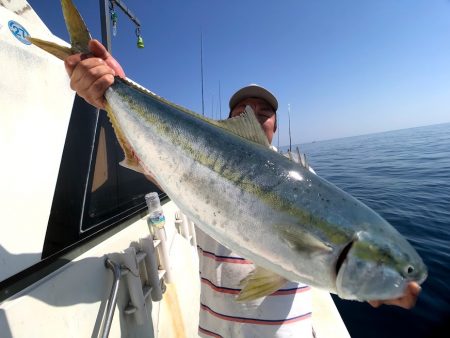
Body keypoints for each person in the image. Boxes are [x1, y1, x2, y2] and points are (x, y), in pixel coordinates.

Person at [64, 39, 422, 337]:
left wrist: (377, 287)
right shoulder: (191, 161)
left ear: (274, 126)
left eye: (263, 112)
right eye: (242, 111)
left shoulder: (306, 180)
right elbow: (148, 159)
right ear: (229, 122)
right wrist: (112, 90)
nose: (253, 115)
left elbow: (328, 261)